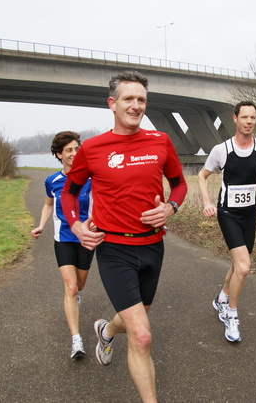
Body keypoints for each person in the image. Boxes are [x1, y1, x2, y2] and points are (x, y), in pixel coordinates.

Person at [60, 70, 187, 403]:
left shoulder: (160, 141)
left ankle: (106, 330)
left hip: (152, 246)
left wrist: (171, 208)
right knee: (142, 335)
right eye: (129, 99)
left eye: (142, 99)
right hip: (113, 247)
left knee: (138, 313)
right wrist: (76, 226)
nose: (136, 105)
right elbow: (69, 193)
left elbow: (180, 184)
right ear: (112, 104)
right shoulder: (93, 148)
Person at [198, 100, 256, 342]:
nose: (249, 122)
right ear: (235, 119)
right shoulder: (221, 150)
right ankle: (230, 314)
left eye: (253, 118)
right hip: (228, 214)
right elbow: (202, 177)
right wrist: (206, 202)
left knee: (238, 264)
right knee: (244, 266)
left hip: (250, 214)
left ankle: (221, 298)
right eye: (244, 117)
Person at [30, 131, 94, 360]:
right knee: (71, 287)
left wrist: (95, 223)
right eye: (68, 150)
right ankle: (76, 339)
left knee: (80, 284)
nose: (74, 154)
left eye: (77, 149)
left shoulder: (90, 179)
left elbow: (98, 204)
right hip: (64, 239)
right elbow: (48, 205)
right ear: (59, 155)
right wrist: (41, 225)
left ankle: (74, 297)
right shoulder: (52, 181)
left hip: (86, 238)